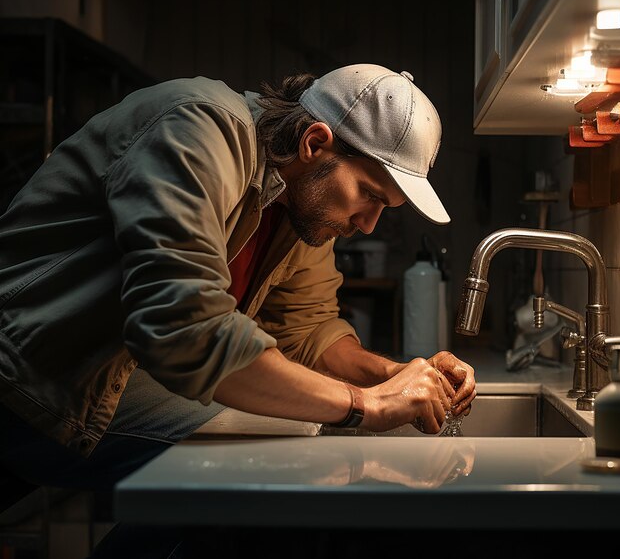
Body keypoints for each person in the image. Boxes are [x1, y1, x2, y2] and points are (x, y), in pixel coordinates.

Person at [0, 63, 476, 556]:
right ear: (314, 143)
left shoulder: (302, 203)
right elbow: (184, 329)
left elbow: (308, 330)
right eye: (368, 195)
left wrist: (394, 376)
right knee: (281, 465)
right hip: (25, 372)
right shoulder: (198, 127)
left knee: (282, 463)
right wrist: (367, 406)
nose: (370, 224)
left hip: (110, 378)